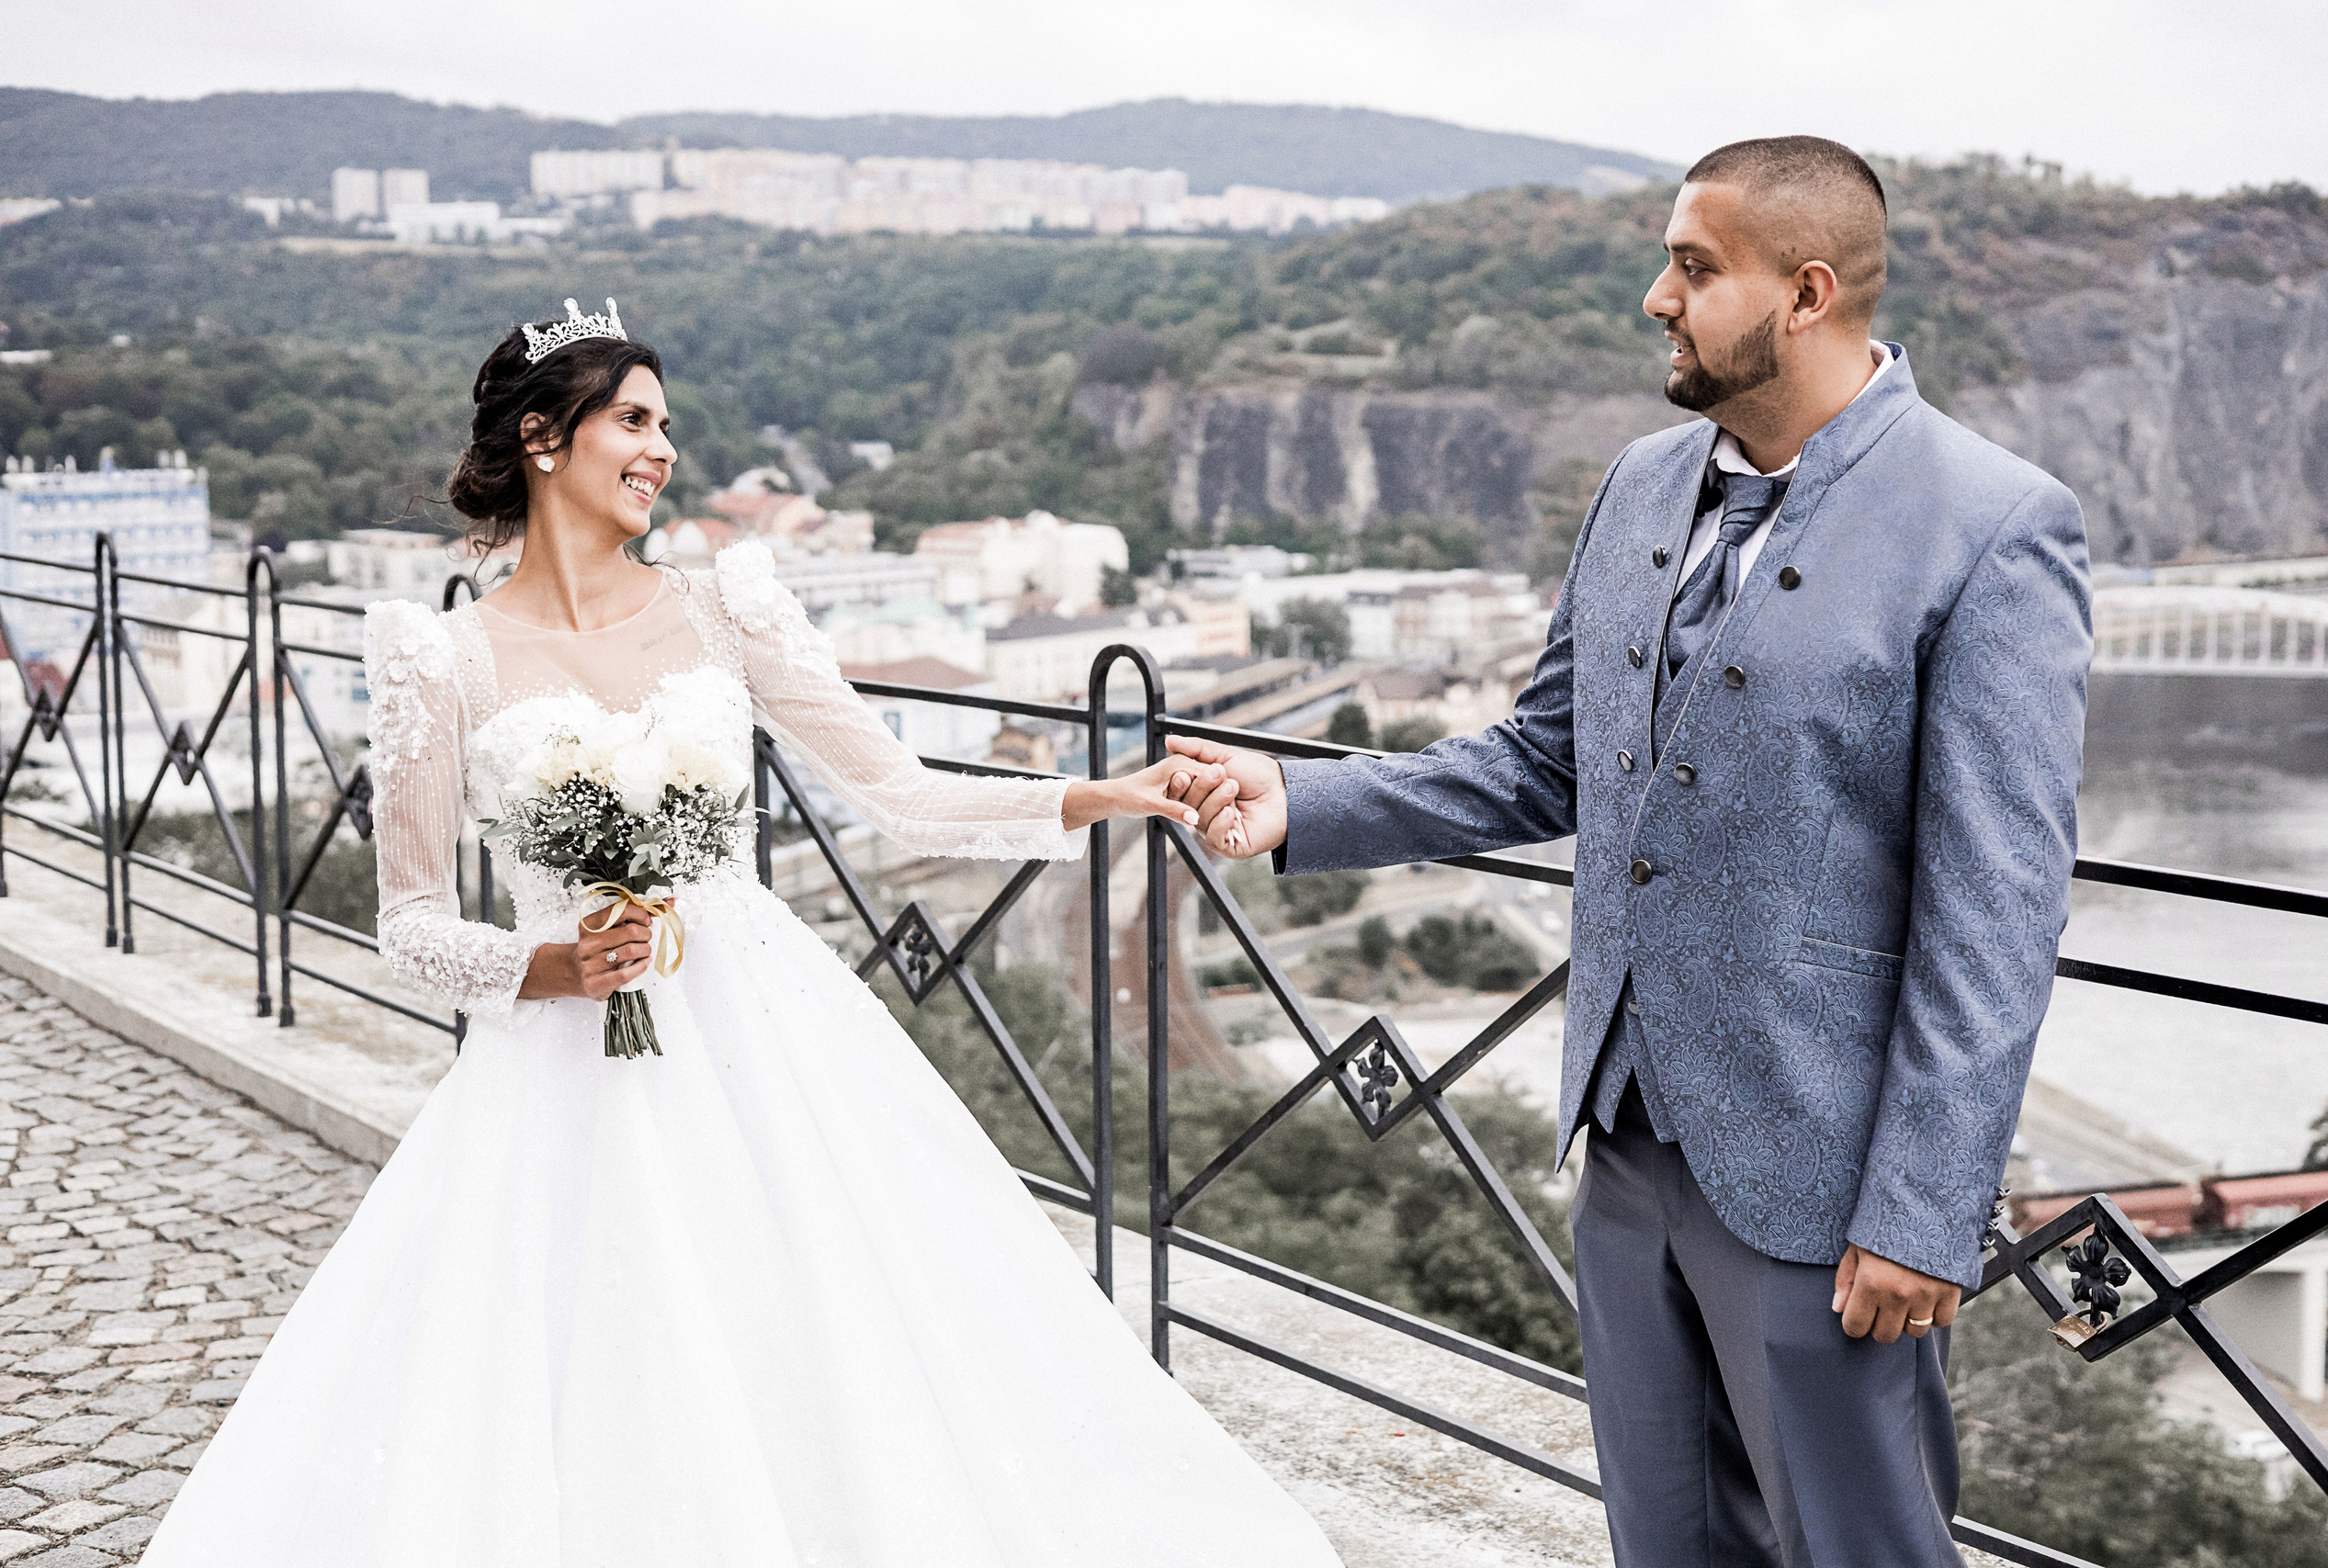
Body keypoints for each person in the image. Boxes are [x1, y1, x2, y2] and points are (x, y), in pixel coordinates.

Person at [139, 300, 1341, 1567]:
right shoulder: (441, 662)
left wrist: (1105, 793)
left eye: (670, 425)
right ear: (545, 440)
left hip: (770, 1040)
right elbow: (410, 922)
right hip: (563, 1070)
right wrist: (546, 964)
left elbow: (896, 788)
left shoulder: (726, 611)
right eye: (637, 420)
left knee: (824, 1337)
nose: (666, 448)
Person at [1165, 139, 2093, 1566]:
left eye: (1694, 266)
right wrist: (1303, 800)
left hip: (1826, 1185)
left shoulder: (1996, 526)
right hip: (1626, 1152)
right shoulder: (1641, 487)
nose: (1657, 297)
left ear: (1807, 291)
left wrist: (1923, 1209)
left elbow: (2000, 906)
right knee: (1665, 1548)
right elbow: (1548, 757)